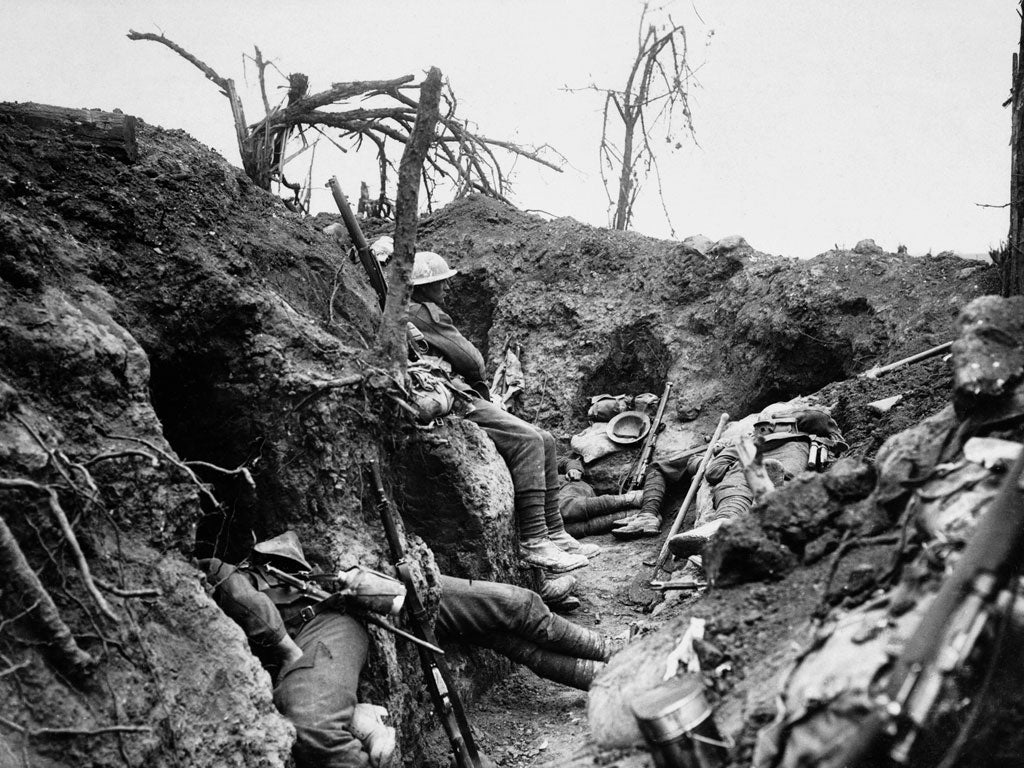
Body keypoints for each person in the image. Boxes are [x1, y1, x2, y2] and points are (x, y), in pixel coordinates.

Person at [201, 531, 614, 768]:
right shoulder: (203, 576)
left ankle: (614, 652)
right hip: (326, 625)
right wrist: (290, 652)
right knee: (316, 728)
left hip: (366, 586)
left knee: (514, 609)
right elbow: (237, 593)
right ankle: (615, 671)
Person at [406, 251, 598, 574]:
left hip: (452, 390)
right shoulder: (426, 313)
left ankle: (555, 532)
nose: (444, 289)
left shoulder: (411, 311)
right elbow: (472, 360)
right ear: (425, 287)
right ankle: (535, 539)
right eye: (439, 283)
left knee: (547, 439)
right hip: (455, 396)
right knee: (528, 441)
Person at [665, 404, 847, 560]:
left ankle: (738, 521)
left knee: (751, 483)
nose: (767, 429)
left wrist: (726, 465)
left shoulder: (793, 432)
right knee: (738, 488)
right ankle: (722, 527)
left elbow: (713, 473)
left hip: (781, 456)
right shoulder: (744, 442)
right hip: (765, 461)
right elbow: (713, 472)